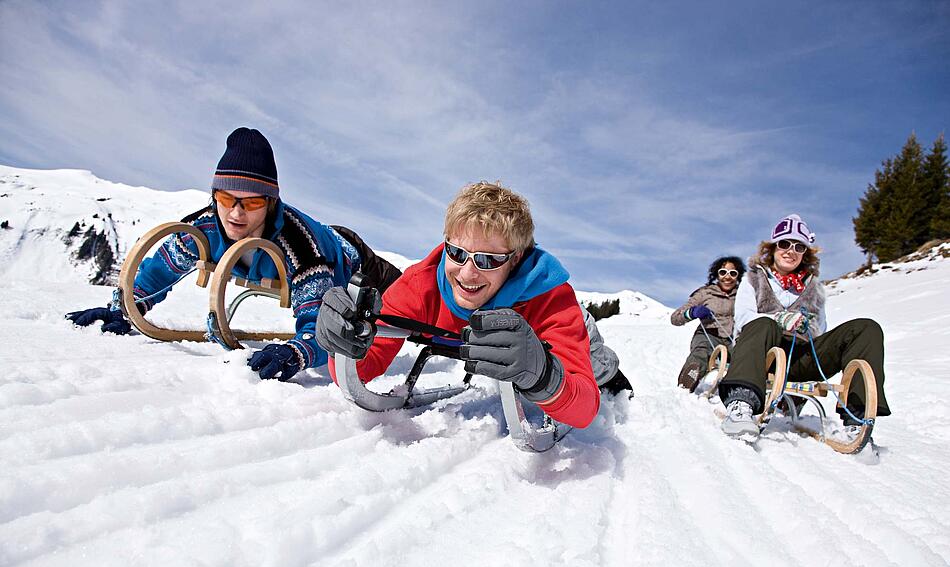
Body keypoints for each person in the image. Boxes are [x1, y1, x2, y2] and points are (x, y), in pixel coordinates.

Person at [66, 127, 400, 382]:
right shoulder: (204, 229)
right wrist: (126, 307)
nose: (236, 213)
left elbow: (320, 324)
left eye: (252, 202)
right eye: (227, 199)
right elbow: (158, 272)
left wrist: (297, 352)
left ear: (270, 204)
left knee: (411, 305)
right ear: (214, 197)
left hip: (353, 262)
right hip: (319, 251)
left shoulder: (298, 246)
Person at [316, 181, 633, 429]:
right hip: (466, 337)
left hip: (563, 331)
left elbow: (583, 409)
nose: (467, 274)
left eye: (488, 259)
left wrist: (543, 374)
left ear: (516, 259)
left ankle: (607, 366)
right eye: (456, 253)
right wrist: (342, 341)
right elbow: (365, 363)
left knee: (594, 365)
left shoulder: (549, 296)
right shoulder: (422, 283)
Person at [718, 213, 891, 437]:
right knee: (763, 324)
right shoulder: (753, 279)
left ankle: (858, 419)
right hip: (761, 357)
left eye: (799, 247)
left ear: (805, 254)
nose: (790, 251)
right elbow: (743, 318)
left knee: (866, 328)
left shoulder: (814, 289)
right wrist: (778, 320)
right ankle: (741, 406)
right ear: (772, 248)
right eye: (784, 244)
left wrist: (808, 328)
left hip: (800, 359)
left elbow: (822, 329)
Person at [671, 256, 745, 391]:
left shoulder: (743, 295)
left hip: (733, 338)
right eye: (723, 272)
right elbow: (675, 318)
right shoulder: (705, 293)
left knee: (746, 355)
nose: (727, 277)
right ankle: (687, 383)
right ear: (717, 274)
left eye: (732, 273)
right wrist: (693, 312)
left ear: (738, 276)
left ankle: (748, 391)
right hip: (708, 334)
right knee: (701, 352)